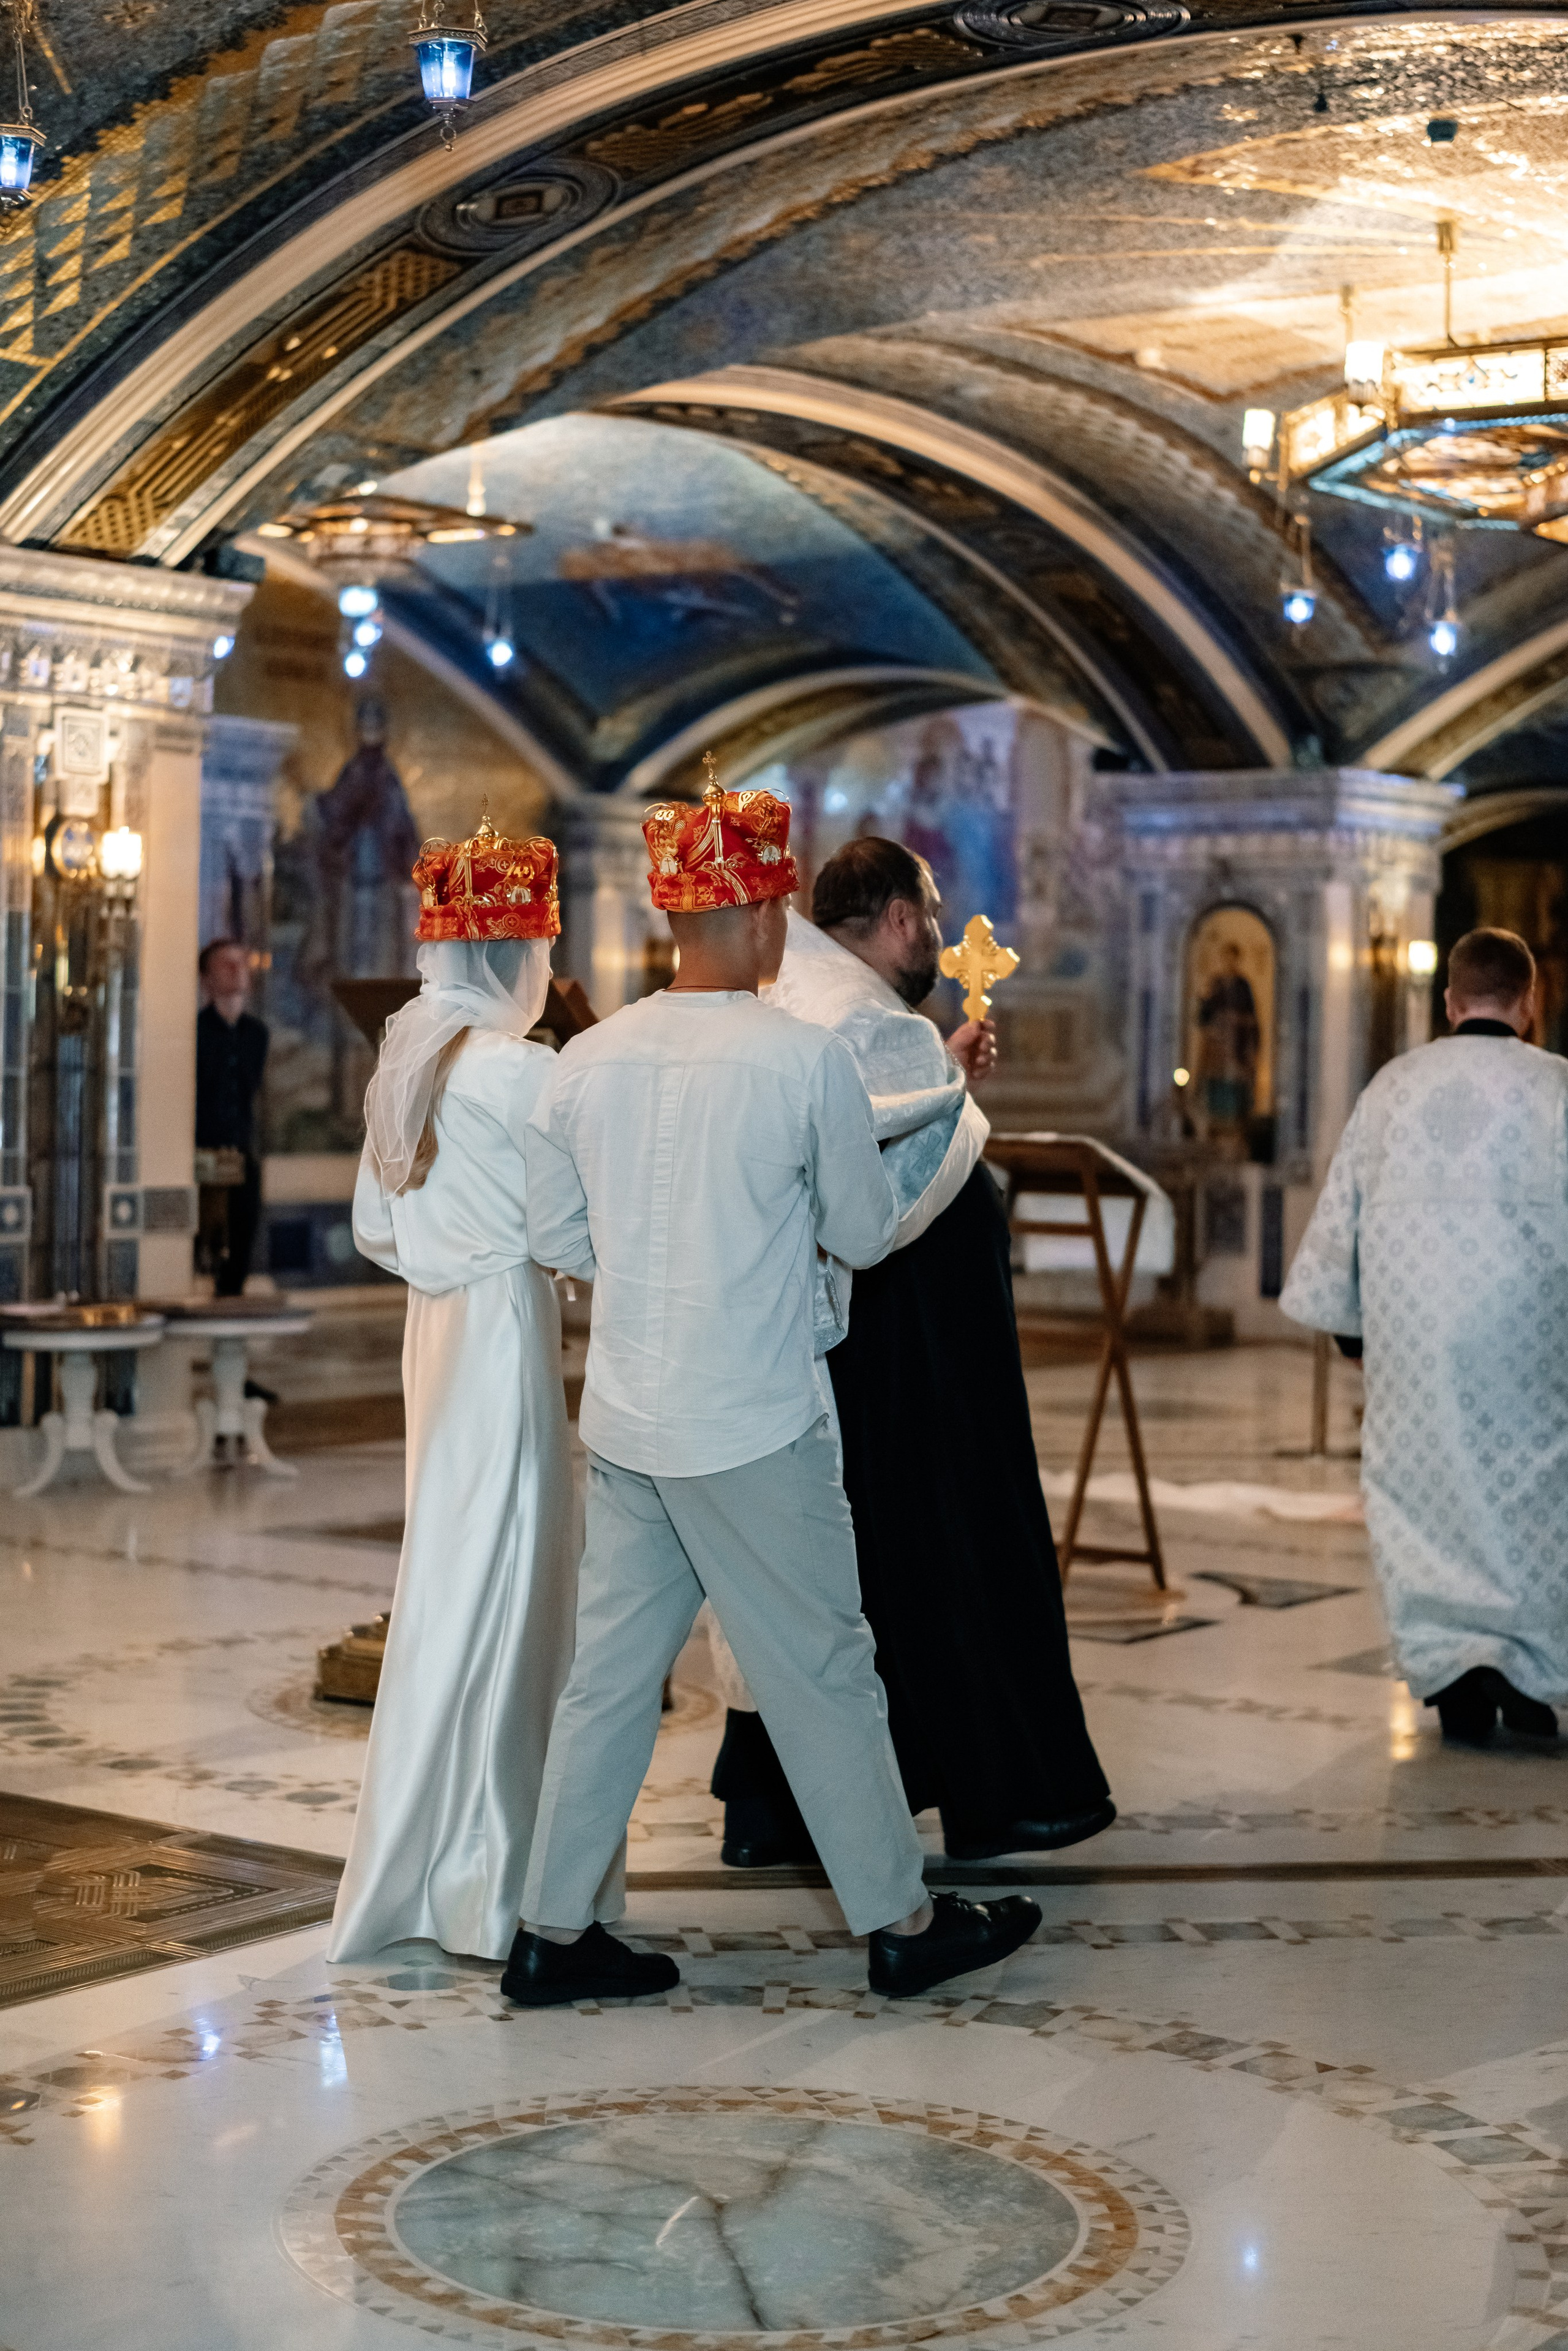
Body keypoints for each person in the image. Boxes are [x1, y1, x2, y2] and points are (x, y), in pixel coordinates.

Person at [504, 779, 1041, 2007]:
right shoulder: (800, 1061)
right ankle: (902, 1921)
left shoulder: (584, 1060)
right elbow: (859, 1226)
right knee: (826, 1664)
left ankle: (551, 1927)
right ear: (758, 916)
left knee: (608, 1675)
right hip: (752, 1417)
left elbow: (558, 1236)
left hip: (633, 1417)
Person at [710, 837, 1112, 1866]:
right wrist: (946, 1078)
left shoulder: (795, 1004)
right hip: (905, 1362)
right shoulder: (867, 1020)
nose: (935, 932)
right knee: (941, 1551)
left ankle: (777, 1807)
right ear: (897, 918)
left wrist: (943, 1070)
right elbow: (885, 1199)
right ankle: (1002, 1790)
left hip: (812, 1353)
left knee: (824, 1571)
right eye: (930, 913)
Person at [328, 814, 589, 1963]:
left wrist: (453, 1251)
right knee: (514, 1579)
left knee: (447, 1573)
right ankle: (491, 1879)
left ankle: (420, 1861)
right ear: (513, 953)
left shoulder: (411, 1066)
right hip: (502, 1335)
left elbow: (373, 1228)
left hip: (434, 1331)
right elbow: (566, 1231)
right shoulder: (526, 1072)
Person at [1281, 925, 1568, 1748]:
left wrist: (1350, 1324)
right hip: (1531, 1344)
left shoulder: (1392, 1088)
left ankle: (1455, 1675)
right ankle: (1528, 1675)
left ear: (1449, 1002)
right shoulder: (1558, 1088)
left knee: (1425, 1494)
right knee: (1535, 1496)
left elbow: (1344, 1214)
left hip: (1415, 1345)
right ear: (1531, 1000)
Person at [195, 938, 268, 1296]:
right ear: (206, 978)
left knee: (244, 1230)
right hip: (203, 1146)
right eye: (226, 964)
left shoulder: (257, 1034)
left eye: (242, 962)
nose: (238, 970)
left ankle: (232, 1299)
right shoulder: (196, 1031)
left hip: (243, 1146)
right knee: (207, 1234)